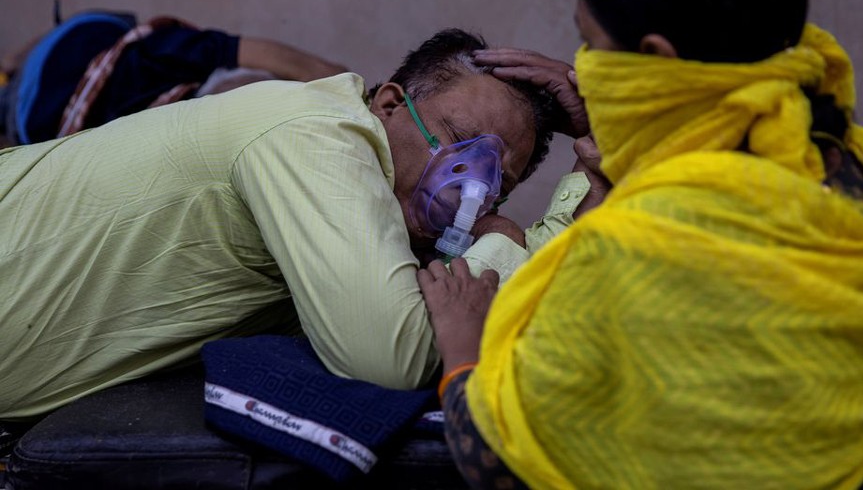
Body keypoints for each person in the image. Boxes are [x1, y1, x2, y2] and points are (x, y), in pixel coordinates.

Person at [419, 0, 863, 489]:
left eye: (590, 46)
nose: (579, 67)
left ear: (653, 59)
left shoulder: (637, 247)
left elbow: (498, 460)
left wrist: (463, 347)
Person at [0, 27, 599, 423]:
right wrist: (502, 240)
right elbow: (391, 358)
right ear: (389, 103)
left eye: (500, 179)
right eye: (458, 142)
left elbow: (544, 283)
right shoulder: (315, 133)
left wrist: (601, 152)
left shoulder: (380, 227)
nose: (472, 187)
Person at [0, 10, 348, 147]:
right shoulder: (174, 55)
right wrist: (352, 92)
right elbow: (292, 61)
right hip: (79, 40)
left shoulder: (167, 140)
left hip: (29, 116)